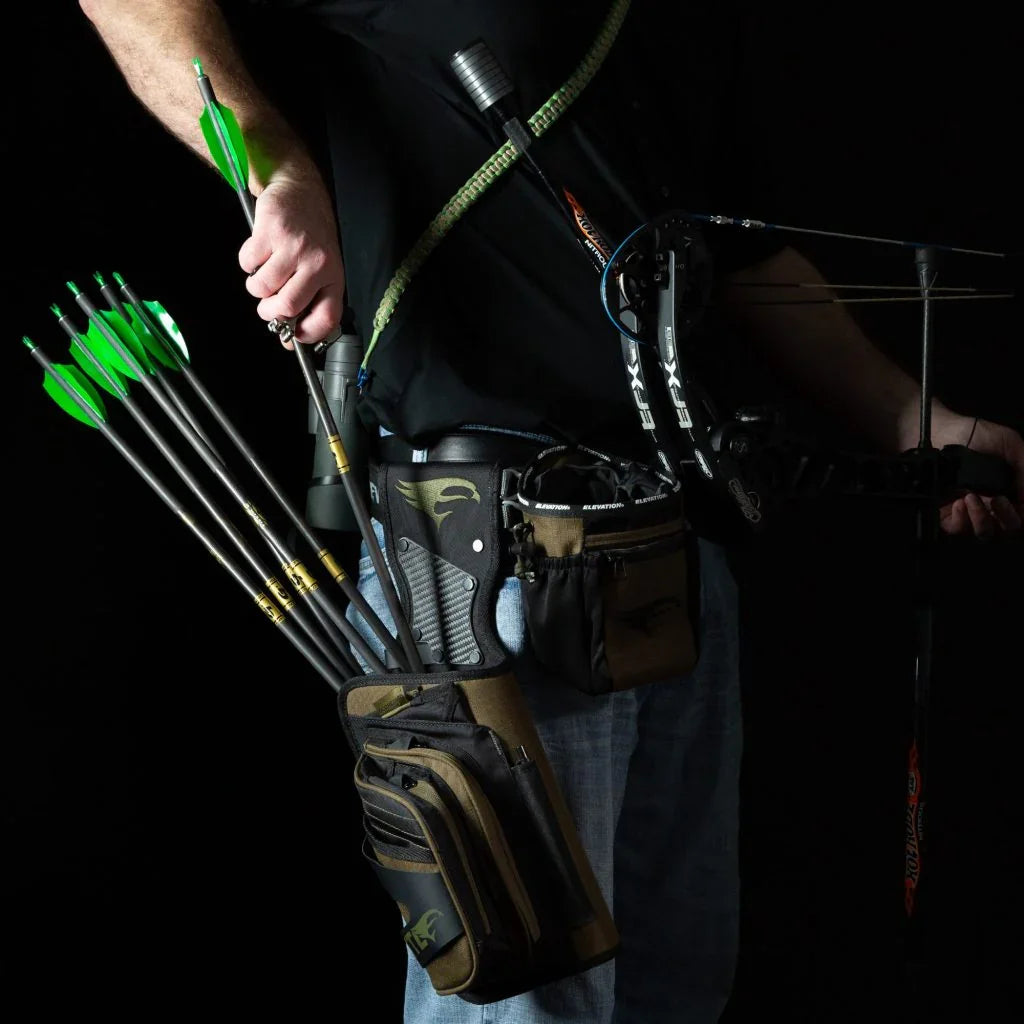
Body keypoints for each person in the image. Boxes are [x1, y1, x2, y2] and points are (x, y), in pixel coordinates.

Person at [77, 2, 1023, 1021]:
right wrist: (276, 171)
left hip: (676, 552)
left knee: (676, 991)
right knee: (529, 1000)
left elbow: (743, 259)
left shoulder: (686, 26)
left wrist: (914, 417)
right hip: (490, 564)